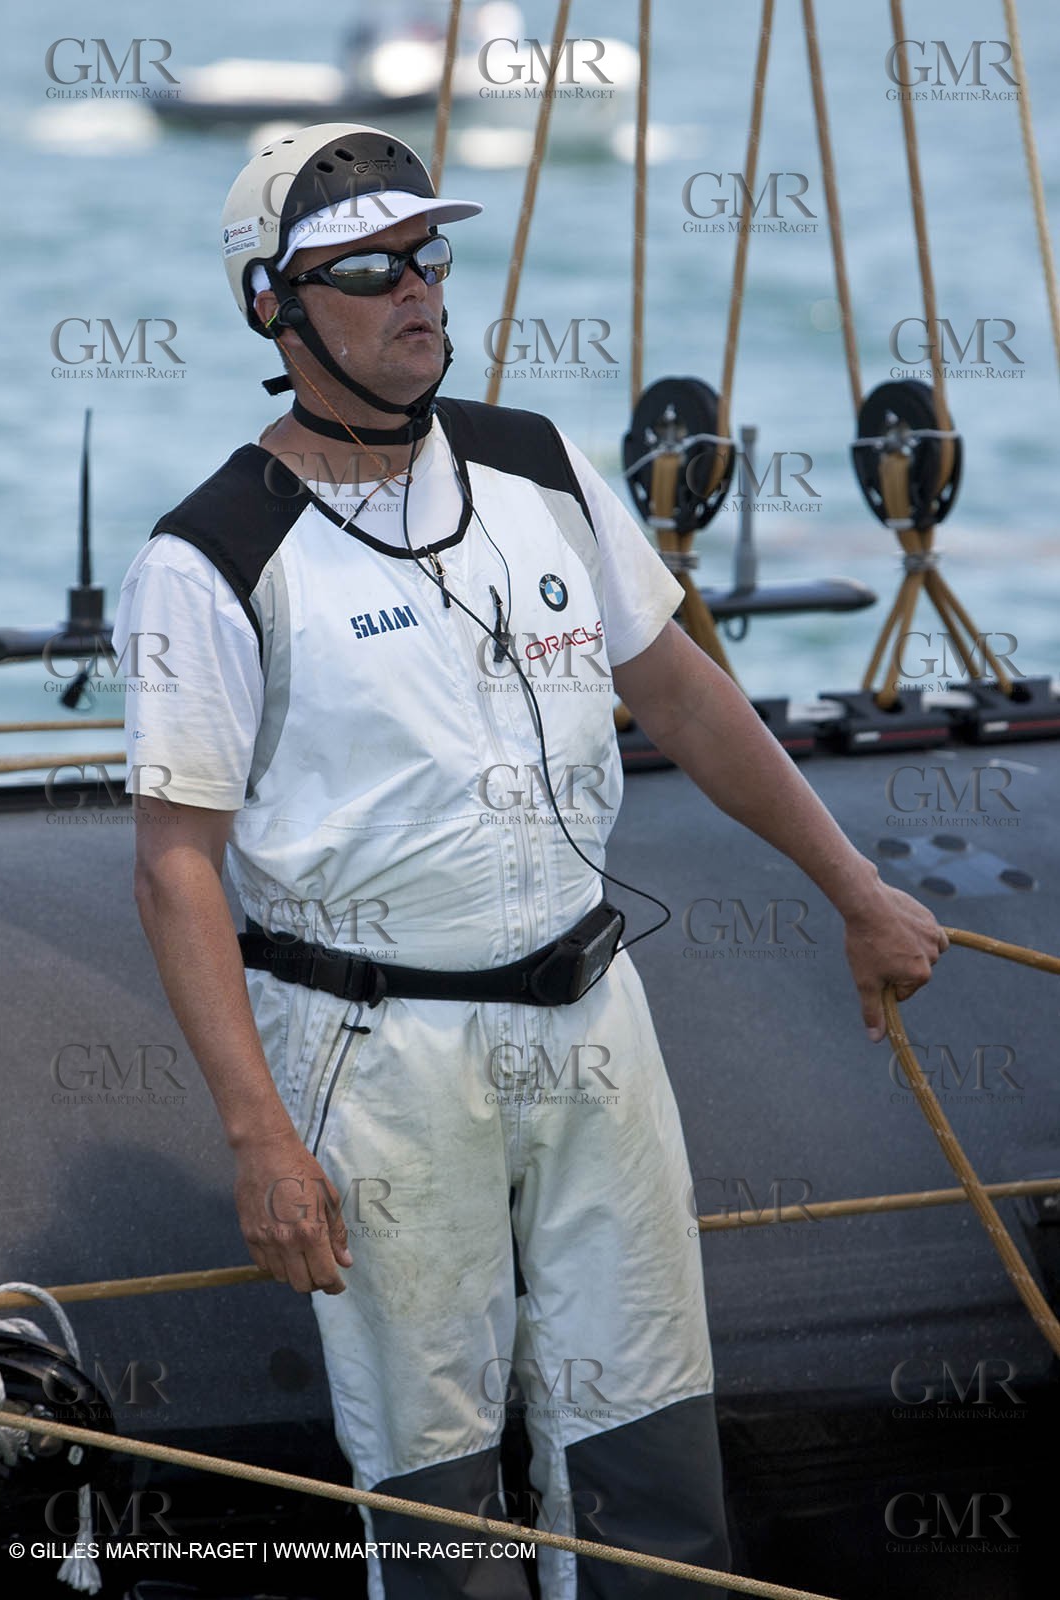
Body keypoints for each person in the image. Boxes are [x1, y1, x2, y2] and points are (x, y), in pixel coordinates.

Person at [115, 122, 948, 1600]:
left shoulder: (542, 464)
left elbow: (683, 691)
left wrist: (858, 890)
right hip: (373, 1050)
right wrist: (259, 1138)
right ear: (274, 308)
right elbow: (177, 864)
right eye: (365, 269)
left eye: (429, 252)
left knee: (649, 1425)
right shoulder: (212, 555)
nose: (418, 289)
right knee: (430, 1470)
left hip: (590, 1015)